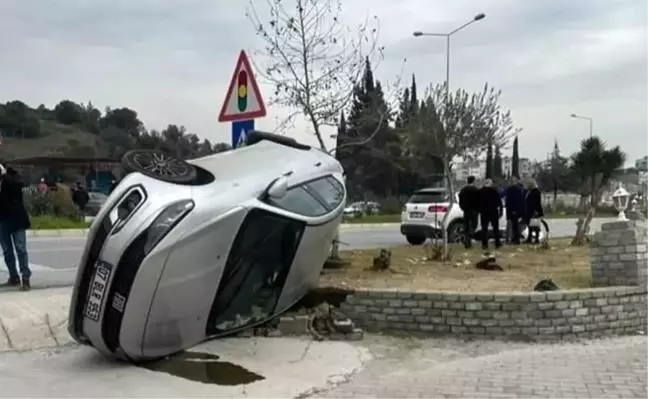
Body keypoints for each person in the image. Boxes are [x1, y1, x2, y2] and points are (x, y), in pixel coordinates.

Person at [0, 165, 32, 290]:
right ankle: (13, 276)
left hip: (17, 220)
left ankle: (25, 278)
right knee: (7, 251)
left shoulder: (10, 182)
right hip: (2, 221)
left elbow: (19, 185)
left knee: (21, 249)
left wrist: (5, 176)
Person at [478, 178, 503, 250]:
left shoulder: (480, 191)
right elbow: (499, 202)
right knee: (495, 228)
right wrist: (500, 212)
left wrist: (480, 210)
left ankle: (484, 244)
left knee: (484, 228)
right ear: (490, 184)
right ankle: (497, 243)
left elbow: (477, 202)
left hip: (484, 212)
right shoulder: (494, 191)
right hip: (493, 211)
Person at [458, 175, 479, 248]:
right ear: (473, 181)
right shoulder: (476, 190)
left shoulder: (463, 190)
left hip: (466, 210)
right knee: (474, 225)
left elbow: (460, 199)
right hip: (474, 210)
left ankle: (467, 242)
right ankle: (469, 236)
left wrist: (462, 207)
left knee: (466, 227)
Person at [504, 176, 525, 244]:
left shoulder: (510, 190)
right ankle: (515, 239)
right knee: (515, 225)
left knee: (511, 225)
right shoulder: (518, 190)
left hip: (511, 209)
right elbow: (520, 201)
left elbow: (509, 201)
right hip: (515, 210)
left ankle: (511, 239)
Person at [525, 179, 544, 244]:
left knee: (535, 225)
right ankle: (529, 237)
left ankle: (537, 238)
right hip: (529, 210)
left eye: (528, 184)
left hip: (535, 211)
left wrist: (537, 211)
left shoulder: (536, 191)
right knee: (529, 225)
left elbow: (537, 203)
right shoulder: (529, 191)